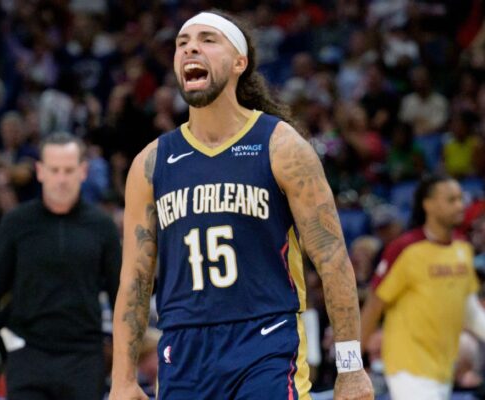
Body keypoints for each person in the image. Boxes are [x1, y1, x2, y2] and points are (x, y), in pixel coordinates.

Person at [110, 10, 373, 400]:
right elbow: (135, 279)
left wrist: (350, 367)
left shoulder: (280, 146)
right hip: (184, 349)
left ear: (239, 62)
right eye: (182, 43)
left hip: (266, 340)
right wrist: (122, 380)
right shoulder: (151, 162)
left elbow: (332, 258)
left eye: (207, 39)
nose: (190, 48)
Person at [0, 132, 121, 400]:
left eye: (68, 170)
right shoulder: (17, 223)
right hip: (28, 355)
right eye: (54, 170)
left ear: (83, 171)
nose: (61, 179)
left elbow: (121, 298)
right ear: (40, 171)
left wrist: (127, 365)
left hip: (84, 358)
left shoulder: (102, 226)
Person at [361, 175, 485, 400]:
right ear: (428, 205)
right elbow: (374, 305)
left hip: (445, 366)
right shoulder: (405, 248)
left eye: (461, 199)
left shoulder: (463, 248)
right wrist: (354, 363)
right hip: (408, 368)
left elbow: (469, 310)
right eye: (451, 200)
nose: (460, 205)